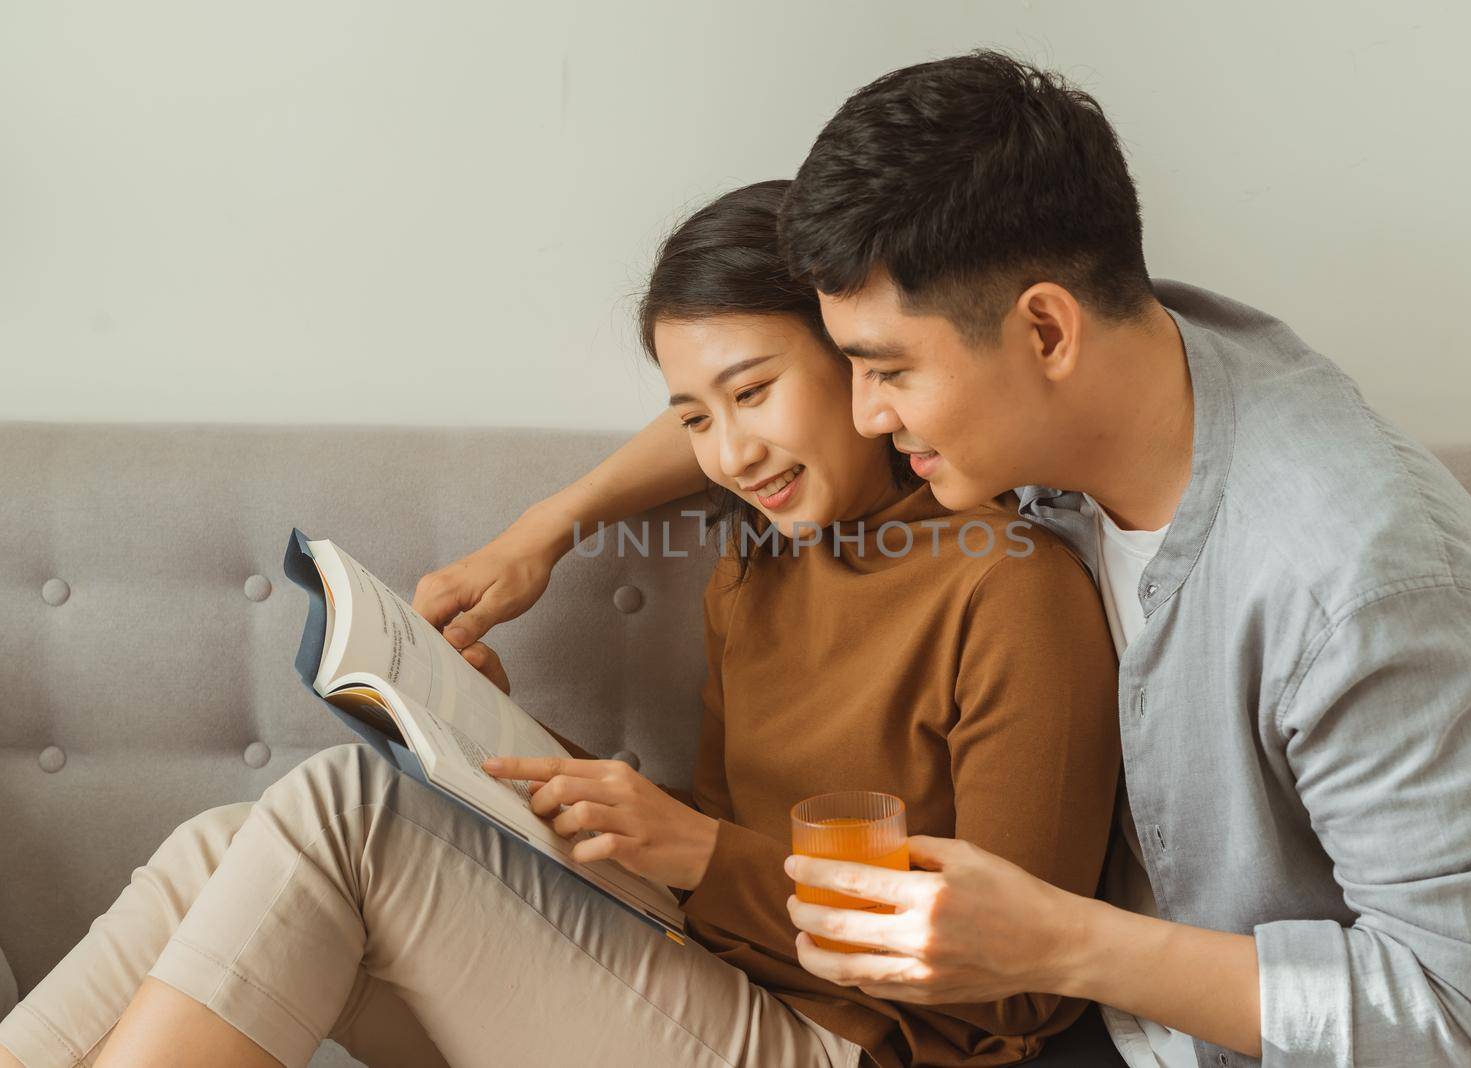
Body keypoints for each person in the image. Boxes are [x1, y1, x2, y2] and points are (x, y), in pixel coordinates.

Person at [412, 52, 1471, 1067]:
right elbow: (752, 426)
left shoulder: (1359, 582)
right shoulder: (1092, 379)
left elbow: (1462, 1013)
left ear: (1042, 332)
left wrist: (1063, 940)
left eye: (885, 371)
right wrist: (547, 530)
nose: (863, 418)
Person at [0, 181, 1123, 1068]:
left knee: (339, 808)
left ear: (855, 356)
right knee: (225, 843)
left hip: (864, 1046)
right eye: (695, 415)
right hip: (719, 985)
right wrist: (508, 752)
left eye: (753, 391)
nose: (729, 453)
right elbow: (728, 863)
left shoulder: (1010, 588)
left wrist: (699, 855)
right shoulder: (760, 570)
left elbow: (1020, 985)